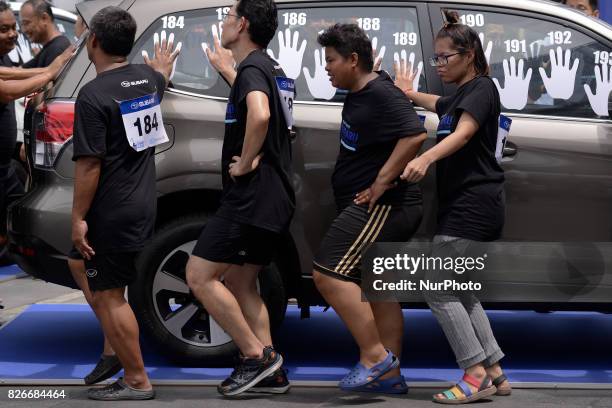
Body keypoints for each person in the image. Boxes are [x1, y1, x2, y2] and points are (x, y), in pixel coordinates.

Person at [394, 11, 511, 404]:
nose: (438, 64)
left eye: (445, 57)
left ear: (469, 54)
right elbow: (440, 104)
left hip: (474, 203)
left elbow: (462, 134)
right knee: (459, 289)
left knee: (437, 286)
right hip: (464, 202)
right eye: (436, 58)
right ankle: (494, 371)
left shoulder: (482, 88)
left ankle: (474, 372)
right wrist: (408, 93)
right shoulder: (462, 93)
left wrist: (426, 159)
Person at [186, 0, 295, 396]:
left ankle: (256, 358)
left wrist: (245, 163)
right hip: (275, 197)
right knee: (241, 280)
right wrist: (227, 71)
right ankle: (273, 371)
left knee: (199, 275)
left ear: (243, 24)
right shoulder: (270, 68)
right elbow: (263, 101)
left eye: (228, 17)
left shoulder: (252, 69)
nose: (224, 24)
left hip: (252, 197)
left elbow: (261, 115)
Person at [310, 23, 427, 394]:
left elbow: (415, 134)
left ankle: (375, 357)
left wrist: (380, 182)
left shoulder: (380, 93)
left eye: (330, 60)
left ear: (354, 59)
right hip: (371, 204)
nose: (326, 67)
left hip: (387, 206)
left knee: (327, 274)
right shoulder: (363, 90)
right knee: (378, 289)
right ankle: (390, 377)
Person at [70, 6, 179, 400]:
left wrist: (79, 217)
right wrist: (163, 68)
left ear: (93, 42)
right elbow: (160, 79)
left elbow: (89, 166)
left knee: (110, 295)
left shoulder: (93, 94)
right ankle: (114, 348)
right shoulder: (146, 79)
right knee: (79, 264)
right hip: (142, 202)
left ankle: (136, 379)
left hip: (111, 209)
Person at [0, 0, 73, 264]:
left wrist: (48, 70)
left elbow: (13, 74)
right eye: (4, 29)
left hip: (4, 167)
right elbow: (6, 88)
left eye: (15, 26)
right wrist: (48, 73)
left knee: (20, 217)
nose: (13, 33)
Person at [20, 0, 71, 68]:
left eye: (26, 23)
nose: (24, 30)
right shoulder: (49, 49)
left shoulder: (56, 49)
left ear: (44, 18)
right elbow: (20, 71)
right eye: (22, 25)